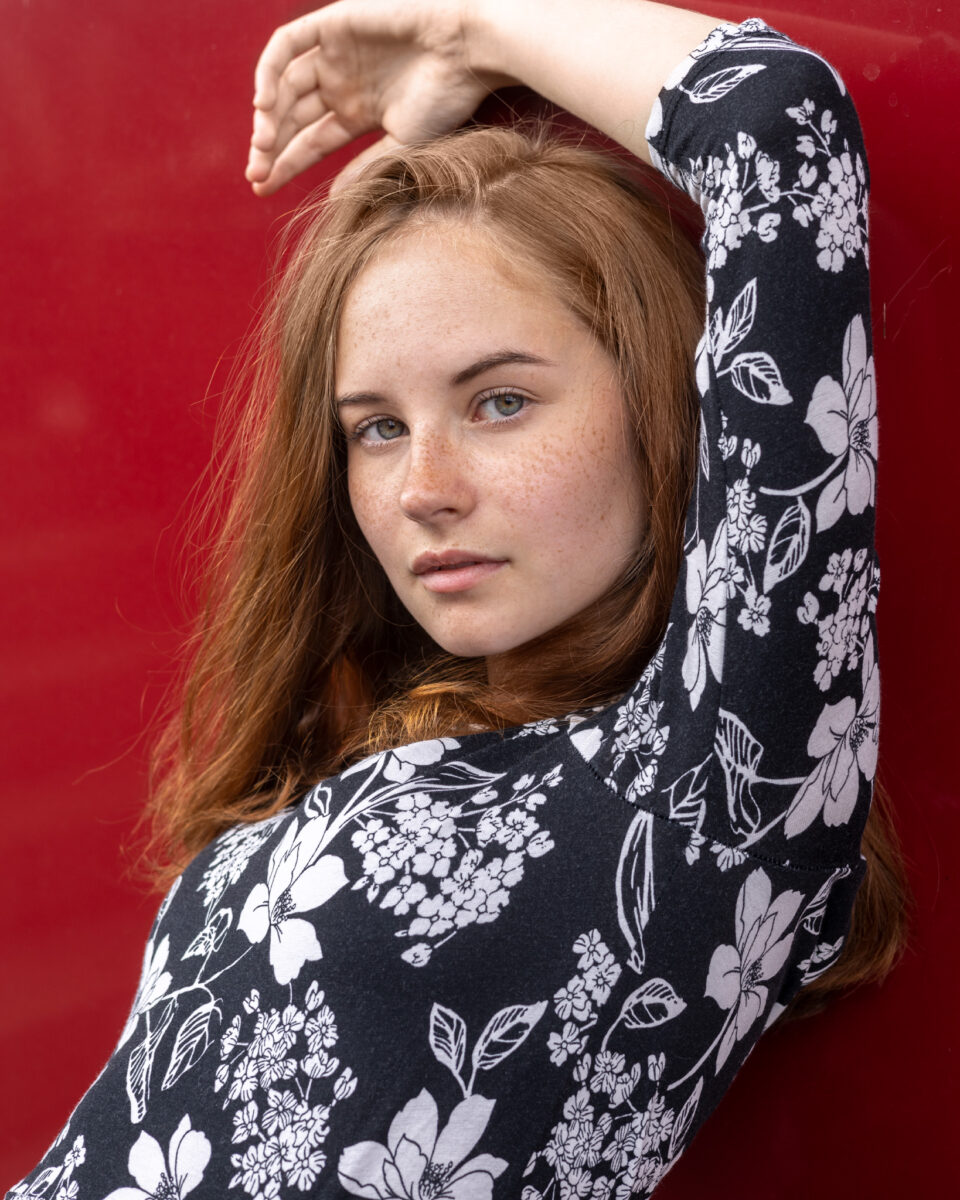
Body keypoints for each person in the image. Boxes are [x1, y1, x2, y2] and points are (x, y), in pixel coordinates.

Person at [9, 1, 909, 1196]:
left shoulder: (713, 796)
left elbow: (778, 127)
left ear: (664, 403)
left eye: (500, 402)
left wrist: (468, 31)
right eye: (375, 429)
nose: (421, 490)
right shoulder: (379, 738)